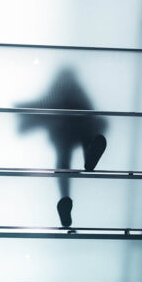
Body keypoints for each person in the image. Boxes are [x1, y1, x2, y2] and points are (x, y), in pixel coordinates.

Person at [16, 67, 108, 228]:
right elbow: (91, 115)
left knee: (64, 161)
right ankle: (88, 160)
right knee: (66, 158)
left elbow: (42, 104)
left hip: (69, 133)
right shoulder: (68, 92)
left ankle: (67, 194)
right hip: (68, 133)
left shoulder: (61, 92)